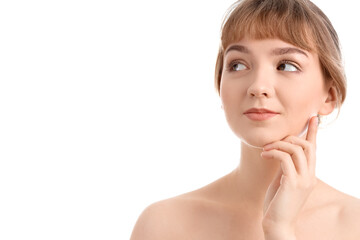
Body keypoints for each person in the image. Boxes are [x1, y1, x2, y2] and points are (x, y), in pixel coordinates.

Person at [130, 0, 360, 239]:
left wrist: (279, 229)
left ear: (330, 96)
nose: (258, 87)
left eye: (286, 66)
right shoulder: (162, 225)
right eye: (238, 65)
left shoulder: (355, 225)